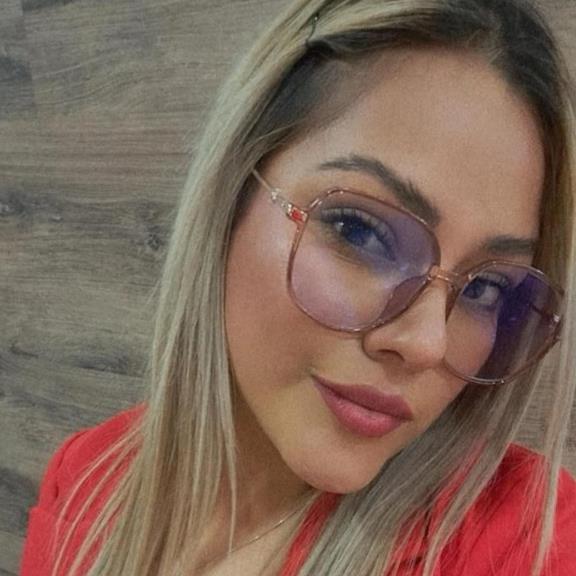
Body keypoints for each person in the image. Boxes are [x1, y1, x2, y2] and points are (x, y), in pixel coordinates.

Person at [19, 0, 576, 575]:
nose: (427, 344)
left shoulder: (528, 542)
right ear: (230, 194)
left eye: (487, 288)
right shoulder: (87, 479)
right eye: (360, 231)